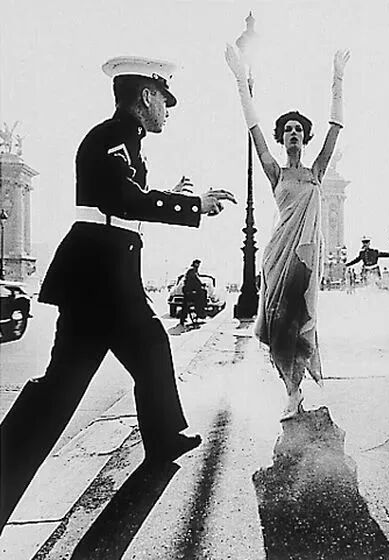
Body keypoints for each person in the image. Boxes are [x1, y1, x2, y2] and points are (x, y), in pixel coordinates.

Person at [0, 56, 237, 531]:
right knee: (65, 386)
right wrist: (192, 204)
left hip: (109, 273)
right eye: (164, 101)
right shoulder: (111, 137)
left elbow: (126, 199)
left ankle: (164, 437)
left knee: (147, 348)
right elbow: (123, 201)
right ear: (146, 97)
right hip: (98, 277)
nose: (167, 110)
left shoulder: (124, 141)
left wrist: (171, 192)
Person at [225, 44, 350, 420]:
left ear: (305, 138)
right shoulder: (275, 172)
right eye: (288, 130)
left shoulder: (316, 172)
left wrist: (338, 78)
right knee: (279, 322)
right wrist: (240, 80)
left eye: (298, 130)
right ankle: (291, 392)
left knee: (300, 322)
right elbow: (254, 131)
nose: (293, 133)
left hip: (305, 257)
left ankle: (295, 389)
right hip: (278, 256)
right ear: (282, 138)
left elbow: (335, 130)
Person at [180, 259, 208, 325]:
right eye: (197, 264)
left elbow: (196, 280)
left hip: (188, 290)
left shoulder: (193, 271)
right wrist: (200, 285)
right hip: (190, 290)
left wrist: (201, 284)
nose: (198, 266)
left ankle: (183, 318)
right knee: (201, 297)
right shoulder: (192, 271)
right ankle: (200, 313)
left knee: (185, 305)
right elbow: (194, 281)